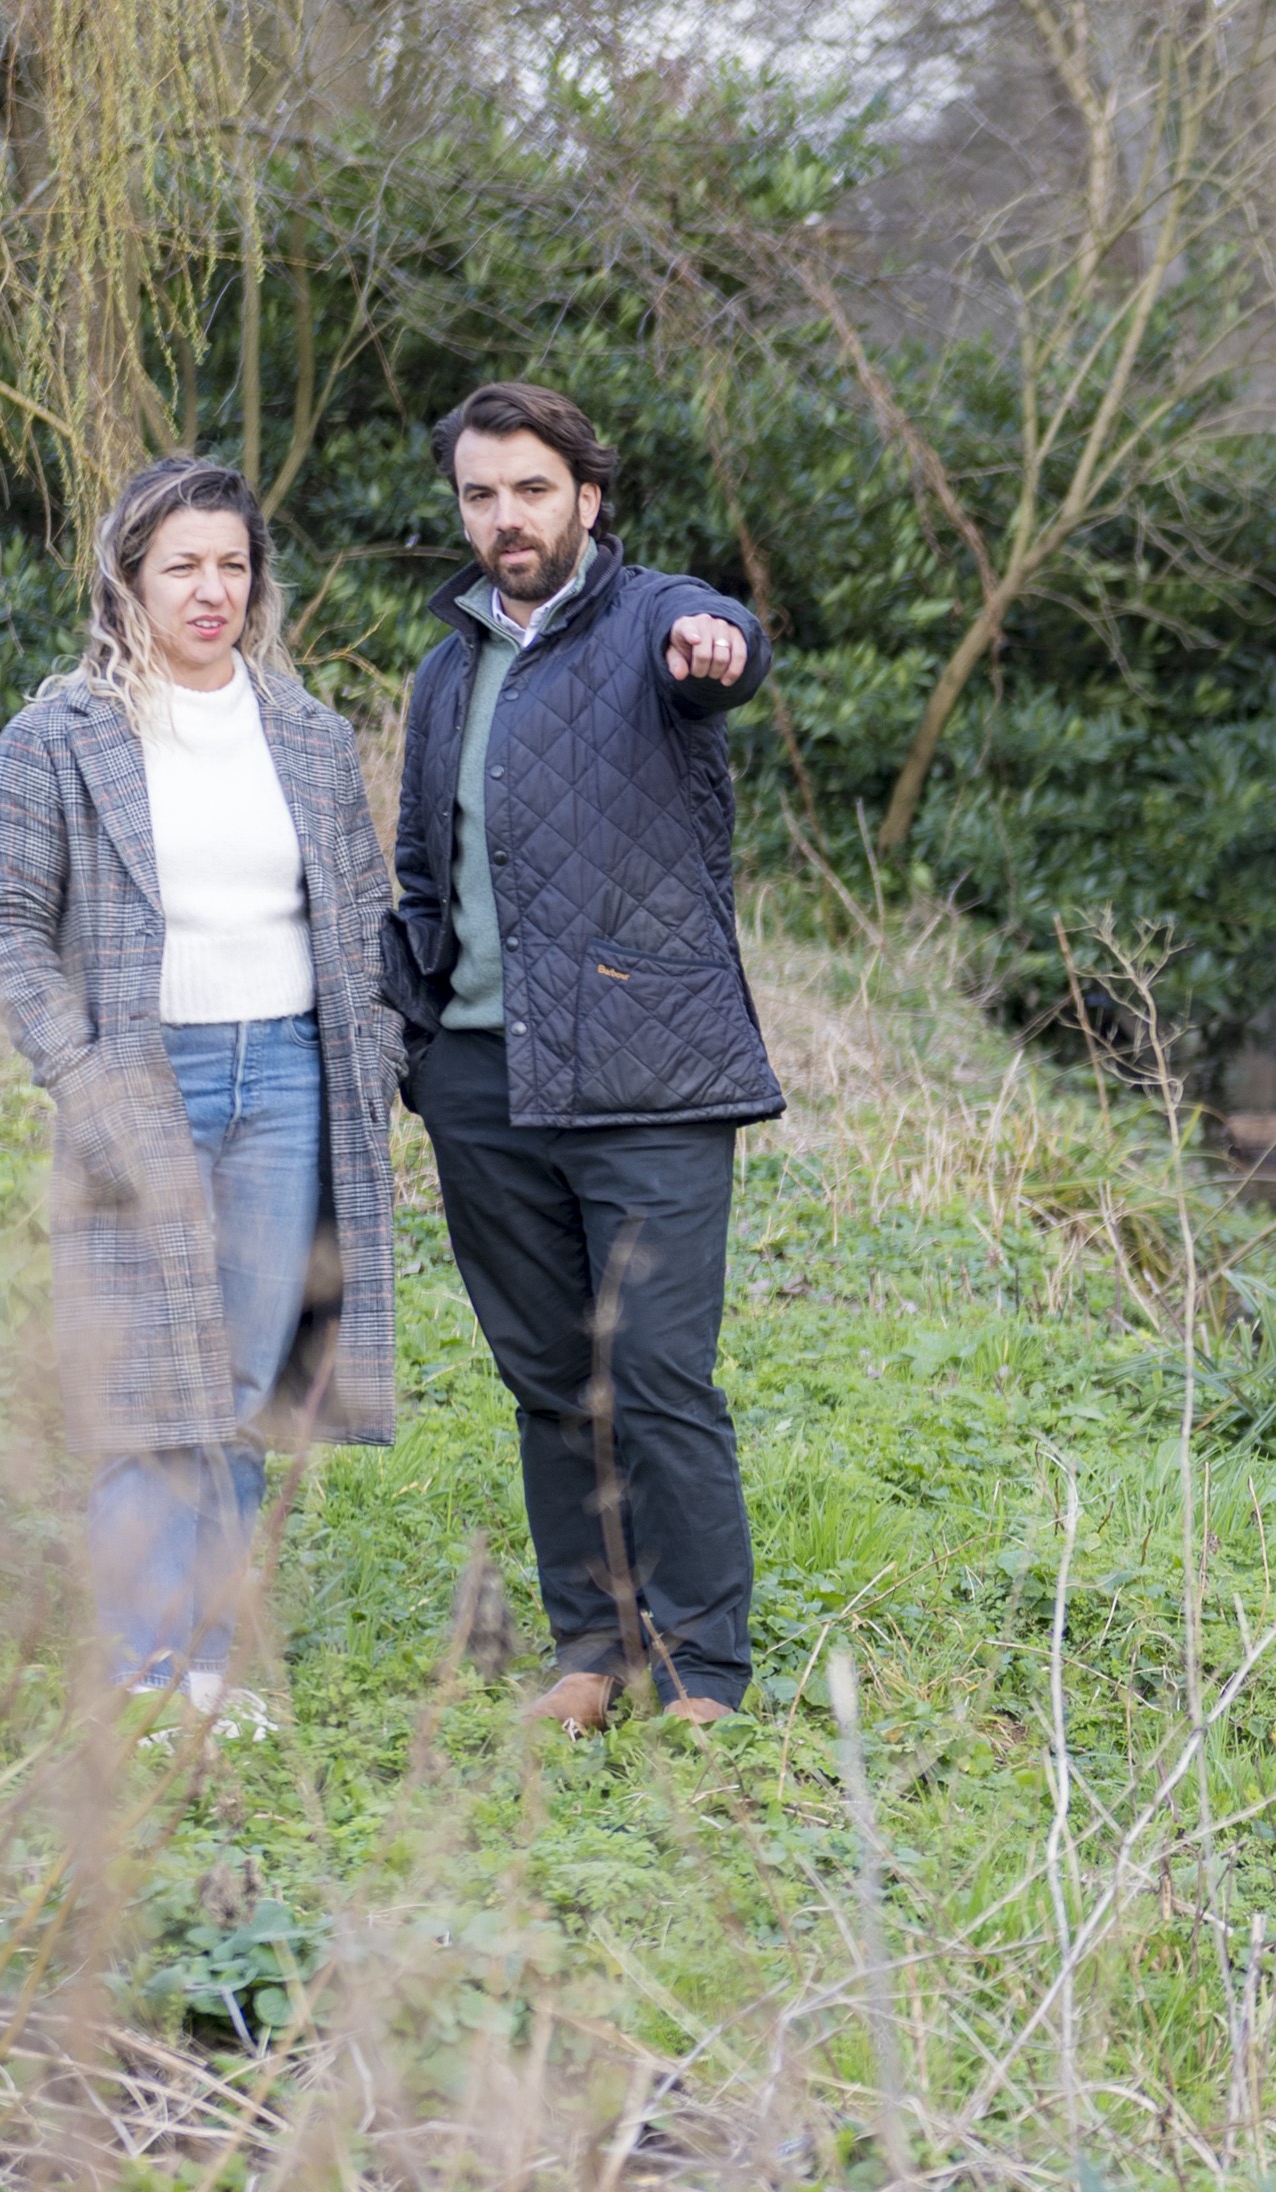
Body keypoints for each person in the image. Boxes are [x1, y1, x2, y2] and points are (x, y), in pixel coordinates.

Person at [0, 455, 402, 1717]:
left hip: (286, 1083)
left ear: (256, 580)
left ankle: (209, 1666)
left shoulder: (312, 738)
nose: (210, 591)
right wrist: (83, 1072)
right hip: (139, 1082)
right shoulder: (55, 738)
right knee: (141, 1383)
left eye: (232, 564)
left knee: (239, 1389)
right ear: (127, 579)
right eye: (181, 567)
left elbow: (362, 919)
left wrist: (371, 1060)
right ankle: (141, 1675)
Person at [376, 381, 781, 1733]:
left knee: (655, 1372)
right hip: (484, 1085)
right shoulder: (445, 673)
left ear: (587, 500)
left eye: (531, 490)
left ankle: (703, 1670)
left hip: (649, 1081)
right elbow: (425, 882)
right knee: (550, 1377)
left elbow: (716, 634)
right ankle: (590, 1655)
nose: (506, 518)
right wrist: (411, 1042)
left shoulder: (656, 621)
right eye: (481, 495)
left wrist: (722, 643)